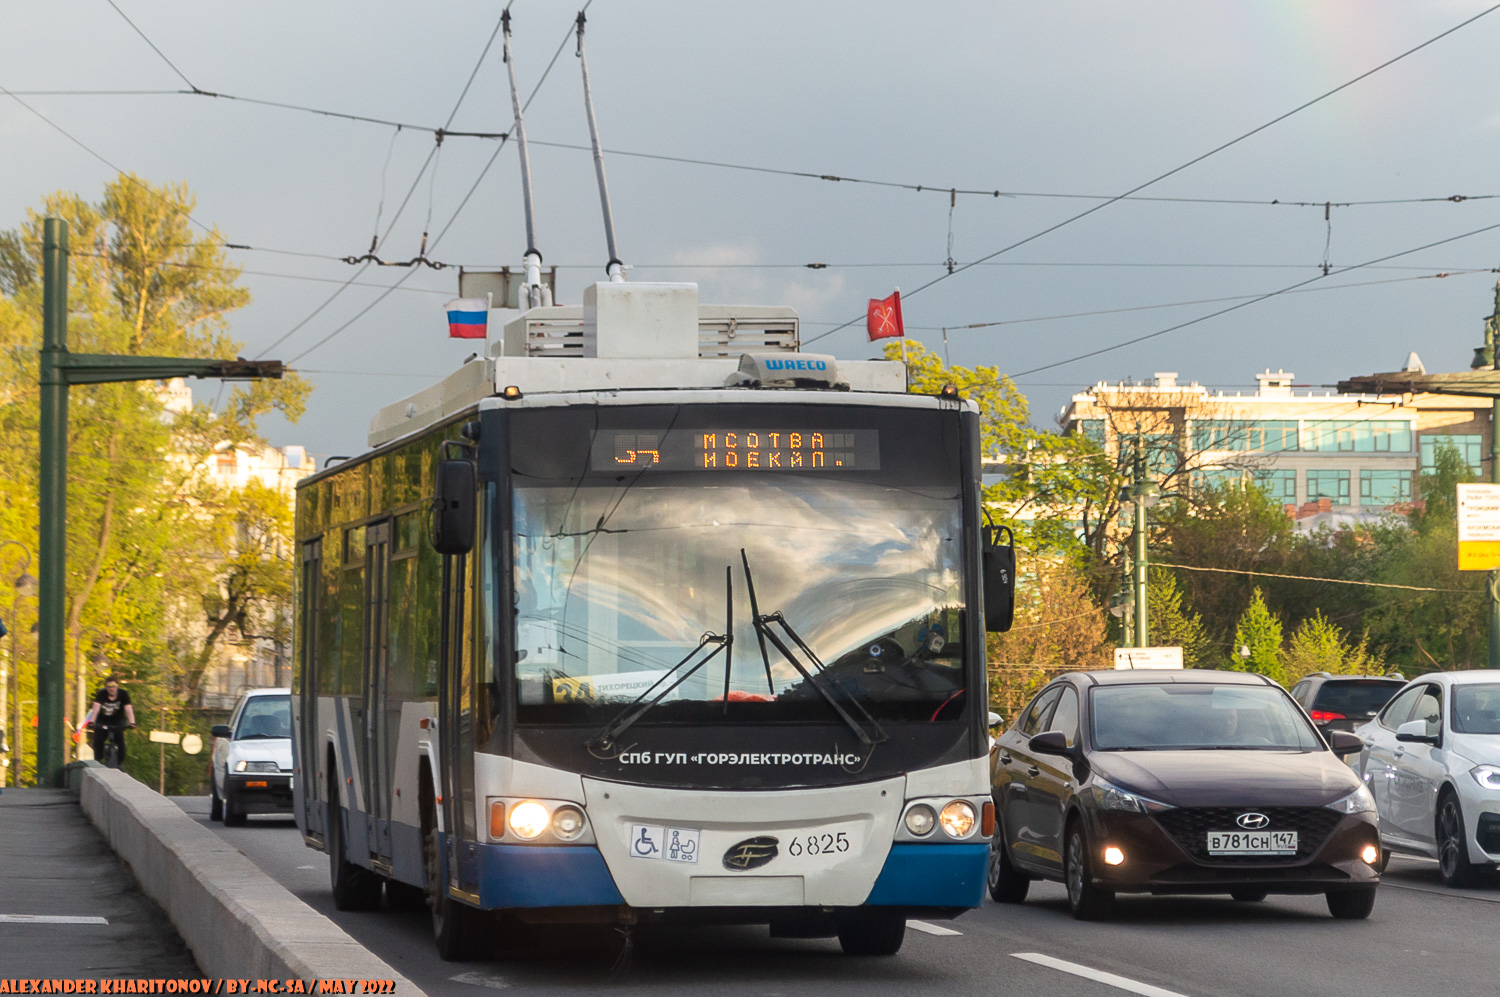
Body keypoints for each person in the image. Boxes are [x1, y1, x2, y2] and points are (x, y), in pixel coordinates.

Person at [81, 674, 136, 766]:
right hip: (103, 720)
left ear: (117, 686)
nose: (111, 689)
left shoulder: (123, 694)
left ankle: (119, 762)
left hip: (118, 720)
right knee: (99, 739)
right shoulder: (101, 694)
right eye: (109, 686)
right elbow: (96, 708)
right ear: (106, 687)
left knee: (120, 739)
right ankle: (98, 760)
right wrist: (92, 721)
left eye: (113, 686)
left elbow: (128, 709)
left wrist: (132, 722)